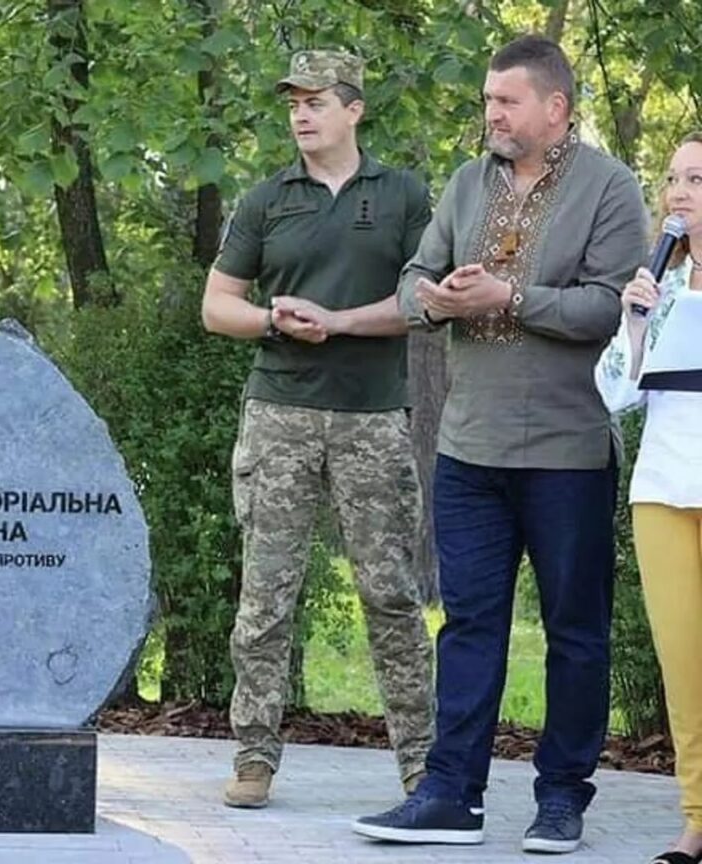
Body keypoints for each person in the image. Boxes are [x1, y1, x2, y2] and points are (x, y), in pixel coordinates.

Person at [352, 35, 649, 853]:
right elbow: (413, 279)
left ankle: (561, 799)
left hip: (567, 451)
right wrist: (436, 298)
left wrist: (508, 297)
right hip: (467, 449)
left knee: (575, 633)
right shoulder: (466, 183)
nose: (492, 114)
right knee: (468, 625)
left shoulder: (610, 188)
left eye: (507, 101)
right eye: (488, 100)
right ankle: (451, 795)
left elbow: (609, 309)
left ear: (556, 108)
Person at [200, 49, 435, 810]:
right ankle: (253, 758)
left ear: (354, 108)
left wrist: (338, 322)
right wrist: (274, 319)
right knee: (265, 599)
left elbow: (422, 301)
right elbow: (217, 306)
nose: (301, 115)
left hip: (373, 418)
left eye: (316, 101)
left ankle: (422, 766)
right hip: (280, 414)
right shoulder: (267, 200)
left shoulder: (402, 195)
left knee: (392, 597)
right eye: (293, 104)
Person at [594, 131, 702, 864]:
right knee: (685, 665)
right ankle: (697, 818)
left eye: (695, 178)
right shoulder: (658, 289)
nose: (678, 192)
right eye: (672, 178)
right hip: (664, 490)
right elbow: (614, 393)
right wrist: (634, 322)